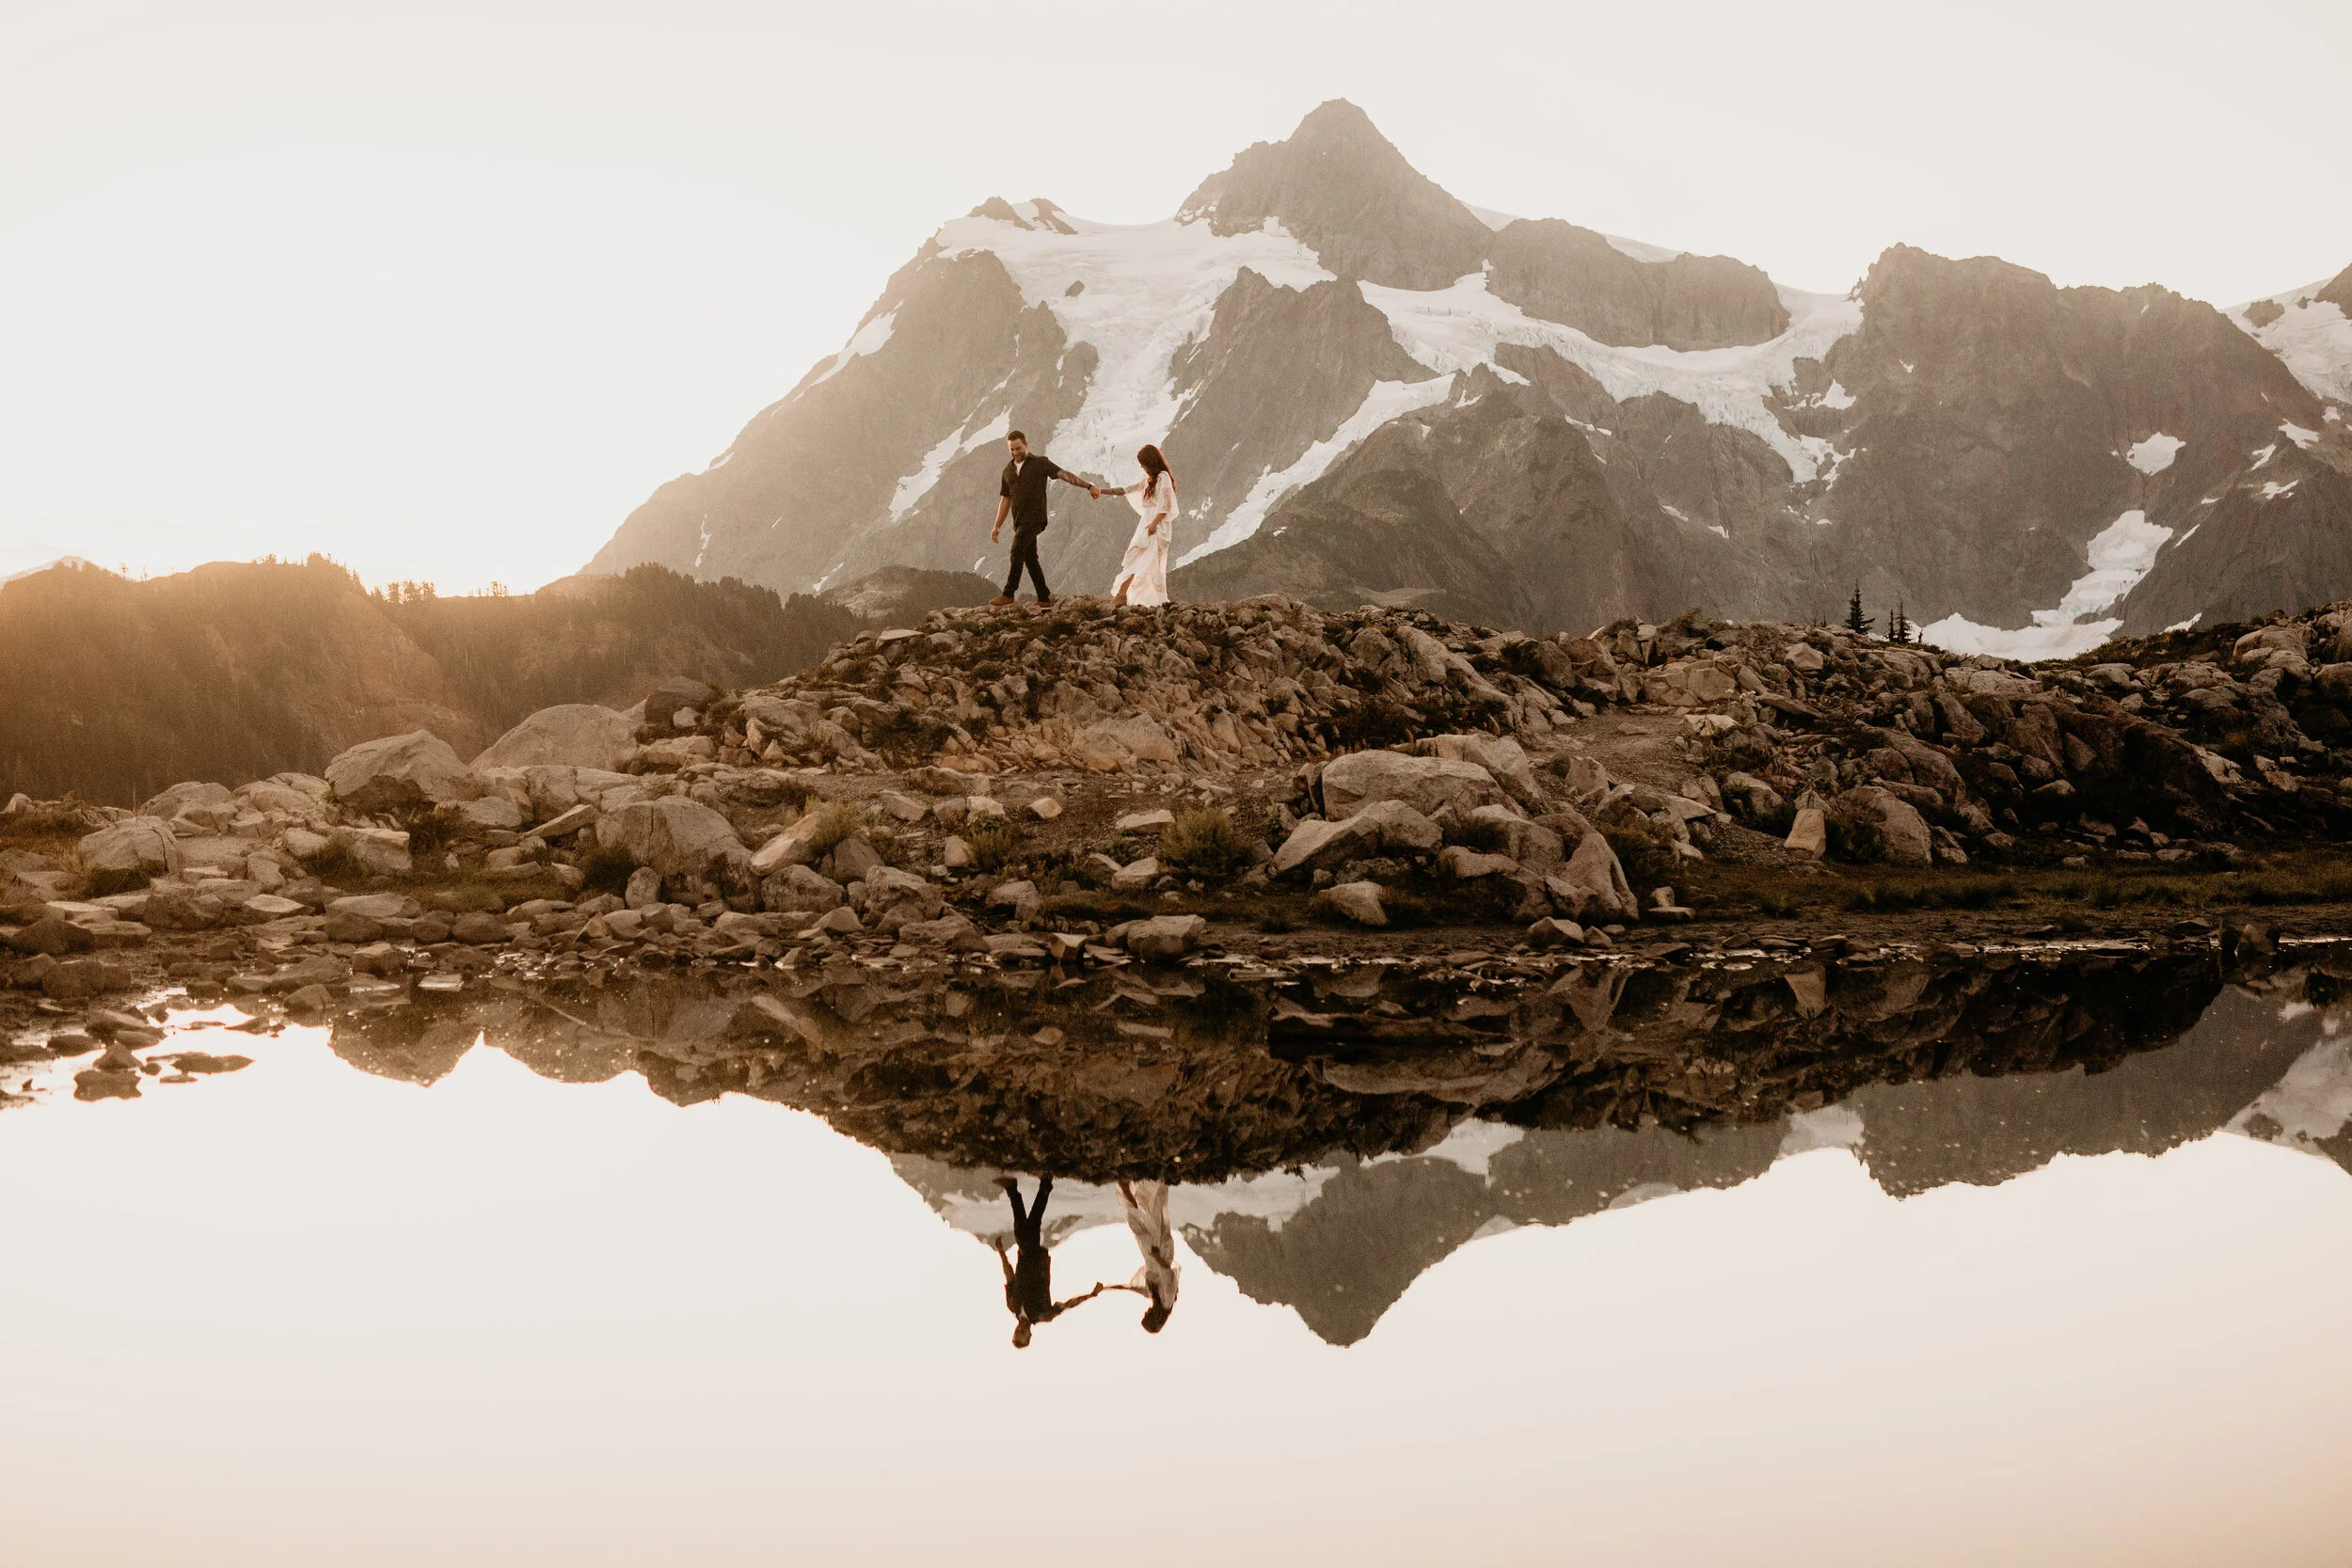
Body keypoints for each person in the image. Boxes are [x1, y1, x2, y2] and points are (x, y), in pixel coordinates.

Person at [992, 1174, 1115, 1348]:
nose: (1020, 1330)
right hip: (1037, 1261)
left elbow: (1010, 1277)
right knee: (1023, 1232)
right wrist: (1091, 1295)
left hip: (1024, 1256)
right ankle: (1016, 1188)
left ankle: (1040, 1184)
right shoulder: (1043, 1314)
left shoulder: (1012, 1305)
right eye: (1023, 1334)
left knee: (1030, 1226)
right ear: (1029, 1335)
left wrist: (1002, 1253)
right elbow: (1068, 1305)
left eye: (1017, 1332)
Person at [989, 430, 1096, 608]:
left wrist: (1089, 486)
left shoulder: (1040, 463)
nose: (1015, 452)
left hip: (1035, 518)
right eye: (1012, 449)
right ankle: (1044, 598)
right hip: (1019, 521)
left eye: (1018, 448)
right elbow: (1005, 499)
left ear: (1026, 444)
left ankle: (1008, 594)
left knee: (1016, 550)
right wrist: (997, 526)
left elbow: (1064, 475)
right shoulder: (1007, 471)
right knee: (1030, 558)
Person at [1104, 444, 1176, 607]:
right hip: (1147, 523)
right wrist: (1101, 491)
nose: (1142, 467)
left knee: (1143, 558)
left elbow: (1166, 505)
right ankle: (1125, 595)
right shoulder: (1148, 481)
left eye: (1143, 464)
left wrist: (1154, 524)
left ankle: (1122, 595)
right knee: (1136, 556)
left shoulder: (1163, 477)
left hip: (1156, 526)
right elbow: (1126, 490)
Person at [1116, 1179, 1180, 1333]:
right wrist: (1158, 1257)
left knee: (1141, 1224)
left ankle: (1127, 1189)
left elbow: (1132, 1288)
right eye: (1147, 1315)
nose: (1146, 1312)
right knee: (1147, 1220)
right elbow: (1168, 1275)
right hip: (1159, 1253)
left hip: (1152, 1256)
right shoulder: (1167, 1301)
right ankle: (1129, 1188)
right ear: (1155, 1317)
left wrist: (1107, 1288)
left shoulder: (1155, 1298)